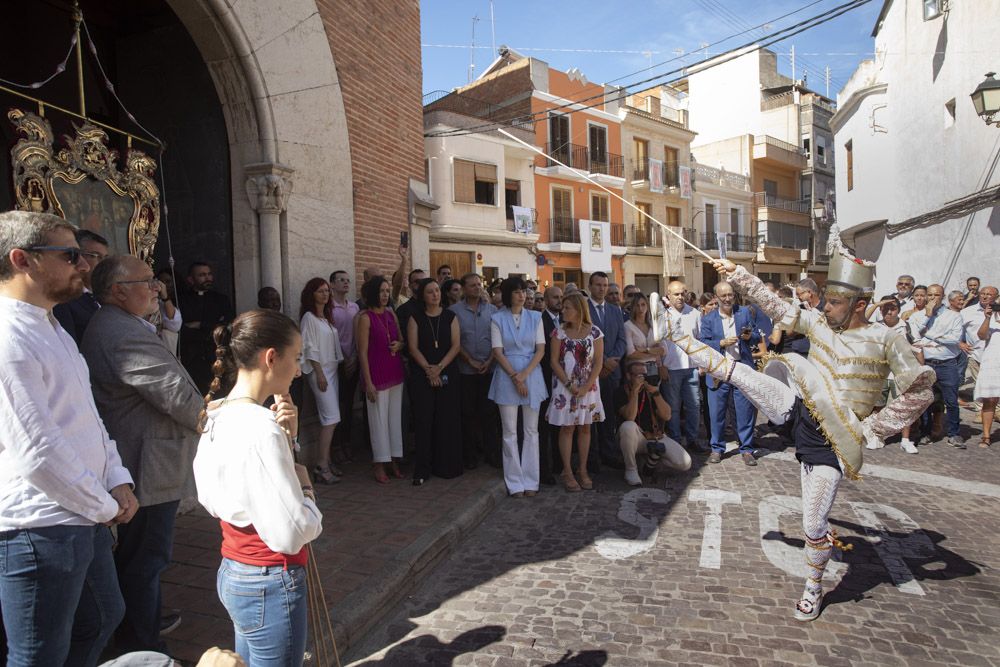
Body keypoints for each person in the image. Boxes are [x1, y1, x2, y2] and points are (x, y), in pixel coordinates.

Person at [663, 244, 933, 622]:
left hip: (833, 442)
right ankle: (677, 336)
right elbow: (777, 308)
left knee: (813, 524)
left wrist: (873, 428)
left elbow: (921, 389)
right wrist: (736, 273)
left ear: (859, 303)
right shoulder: (818, 322)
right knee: (740, 374)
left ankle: (813, 585)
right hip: (796, 410)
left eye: (836, 302)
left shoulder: (887, 339)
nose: (825, 307)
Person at [0, 210, 137, 665]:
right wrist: (103, 506)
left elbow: (85, 414)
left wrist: (116, 478)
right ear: (23, 260)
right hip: (40, 526)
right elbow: (36, 451)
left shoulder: (52, 325)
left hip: (83, 512)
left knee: (102, 617)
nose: (84, 265)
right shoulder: (9, 336)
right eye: (71, 255)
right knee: (39, 654)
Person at [80, 255, 203, 653]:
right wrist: (219, 418)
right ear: (117, 291)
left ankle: (141, 635)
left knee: (143, 559)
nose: (156, 287)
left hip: (146, 460)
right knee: (145, 561)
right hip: (145, 466)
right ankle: (143, 649)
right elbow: (175, 395)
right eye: (146, 281)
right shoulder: (119, 331)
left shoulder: (125, 323)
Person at [192, 309, 322, 666]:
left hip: (235, 571)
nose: (298, 370)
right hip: (268, 578)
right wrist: (307, 491)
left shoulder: (219, 412)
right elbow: (292, 531)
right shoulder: (259, 427)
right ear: (270, 358)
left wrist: (288, 439)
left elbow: (222, 492)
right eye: (295, 358)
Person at [488, 277, 548, 496]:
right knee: (510, 431)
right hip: (506, 376)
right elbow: (497, 351)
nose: (522, 295)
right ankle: (514, 481)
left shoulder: (536, 317)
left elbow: (540, 349)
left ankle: (531, 481)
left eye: (524, 291)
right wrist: (515, 376)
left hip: (531, 374)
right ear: (507, 294)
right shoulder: (497, 318)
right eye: (516, 291)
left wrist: (524, 375)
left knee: (532, 430)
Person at [547, 292, 605, 492]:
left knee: (586, 428)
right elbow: (554, 361)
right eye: (562, 307)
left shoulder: (595, 332)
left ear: (579, 310)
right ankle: (567, 471)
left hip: (588, 388)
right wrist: (570, 385)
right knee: (567, 428)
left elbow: (598, 361)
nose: (563, 311)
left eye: (567, 308)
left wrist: (587, 386)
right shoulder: (558, 332)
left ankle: (582, 469)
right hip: (565, 388)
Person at [408, 278, 463, 485]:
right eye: (430, 292)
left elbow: (456, 346)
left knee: (447, 420)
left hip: (447, 372)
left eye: (438, 291)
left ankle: (447, 465)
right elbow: (413, 348)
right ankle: (423, 468)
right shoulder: (415, 318)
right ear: (423, 295)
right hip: (423, 376)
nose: (435, 295)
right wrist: (429, 371)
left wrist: (439, 368)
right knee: (424, 421)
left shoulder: (451, 316)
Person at [700, 281, 761, 466]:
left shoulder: (743, 313)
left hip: (741, 368)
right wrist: (721, 343)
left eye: (730, 295)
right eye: (723, 296)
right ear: (716, 298)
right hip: (719, 371)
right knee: (716, 412)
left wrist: (751, 337)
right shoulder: (708, 319)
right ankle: (717, 449)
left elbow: (757, 336)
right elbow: (702, 344)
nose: (727, 299)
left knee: (745, 411)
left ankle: (747, 449)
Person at [357, 276, 406, 483]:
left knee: (394, 419)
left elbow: (402, 339)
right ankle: (379, 462)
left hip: (395, 372)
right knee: (378, 420)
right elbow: (362, 352)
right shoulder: (365, 318)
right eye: (381, 291)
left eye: (387, 291)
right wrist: (368, 382)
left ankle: (394, 458)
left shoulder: (391, 314)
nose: (385, 295)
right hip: (376, 375)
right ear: (372, 294)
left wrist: (399, 345)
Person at [450, 273, 500, 469]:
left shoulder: (493, 310)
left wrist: (489, 361)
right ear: (463, 288)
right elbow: (455, 341)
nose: (477, 288)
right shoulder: (454, 311)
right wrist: (469, 360)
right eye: (472, 285)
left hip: (489, 369)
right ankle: (470, 456)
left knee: (489, 414)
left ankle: (491, 454)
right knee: (468, 414)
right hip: (465, 371)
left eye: (479, 284)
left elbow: (498, 339)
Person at [615, 361, 690, 486]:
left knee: (685, 463)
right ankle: (631, 469)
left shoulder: (650, 390)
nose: (642, 378)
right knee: (628, 426)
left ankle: (651, 460)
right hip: (632, 438)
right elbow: (630, 416)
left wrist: (656, 393)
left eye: (644, 375)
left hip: (654, 436)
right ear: (628, 376)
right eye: (638, 375)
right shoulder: (620, 392)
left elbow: (667, 415)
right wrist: (634, 392)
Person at [908, 284, 965, 449]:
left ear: (943, 296)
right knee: (926, 400)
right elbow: (916, 336)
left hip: (947, 363)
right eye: (930, 295)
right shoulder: (917, 316)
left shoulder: (953, 316)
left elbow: (954, 339)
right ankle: (926, 432)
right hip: (927, 362)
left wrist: (930, 335)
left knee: (951, 400)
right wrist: (927, 316)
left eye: (937, 295)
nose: (933, 298)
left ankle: (954, 434)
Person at [299, 277, 344, 483]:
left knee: (331, 419)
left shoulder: (325, 318)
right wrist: (319, 373)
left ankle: (325, 460)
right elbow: (309, 347)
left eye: (327, 291)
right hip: (321, 372)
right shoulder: (309, 317)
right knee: (331, 418)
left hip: (332, 371)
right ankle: (321, 465)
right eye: (320, 291)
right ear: (311, 294)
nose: (325, 294)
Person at [657, 280, 704, 451]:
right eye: (676, 294)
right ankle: (676, 441)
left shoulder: (695, 314)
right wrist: (660, 365)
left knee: (694, 406)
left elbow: (700, 341)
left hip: (692, 368)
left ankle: (692, 440)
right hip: (671, 368)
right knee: (673, 407)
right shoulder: (662, 316)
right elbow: (658, 343)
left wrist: (702, 364)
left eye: (682, 293)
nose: (680, 297)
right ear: (668, 295)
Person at [178, 261, 235, 394]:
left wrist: (200, 324)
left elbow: (228, 325)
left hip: (217, 355)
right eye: (202, 275)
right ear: (191, 279)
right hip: (192, 358)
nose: (207, 278)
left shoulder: (221, 299)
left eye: (209, 274)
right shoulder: (181, 300)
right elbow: (181, 327)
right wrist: (212, 325)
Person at [588, 271, 626, 470]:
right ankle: (592, 458)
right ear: (590, 287)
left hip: (612, 371)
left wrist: (613, 361)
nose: (602, 289)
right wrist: (602, 362)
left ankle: (609, 453)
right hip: (592, 372)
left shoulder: (615, 310)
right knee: (591, 416)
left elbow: (622, 339)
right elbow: (585, 339)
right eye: (598, 285)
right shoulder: (584, 309)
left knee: (609, 415)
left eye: (604, 285)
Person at [53, 228, 110, 344]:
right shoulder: (64, 300)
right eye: (95, 256)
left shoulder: (105, 296)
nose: (103, 263)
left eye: (105, 258)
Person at [329, 270, 360, 463]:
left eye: (348, 280)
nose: (346, 283)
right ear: (332, 284)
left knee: (348, 404)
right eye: (341, 280)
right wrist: (343, 359)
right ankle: (336, 445)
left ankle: (347, 442)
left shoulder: (355, 307)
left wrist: (354, 357)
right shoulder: (328, 308)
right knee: (338, 405)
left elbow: (358, 335)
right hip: (336, 363)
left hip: (353, 360)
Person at [538, 286, 564, 485]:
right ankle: (544, 468)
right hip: (545, 378)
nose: (559, 300)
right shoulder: (539, 320)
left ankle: (560, 464)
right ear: (546, 299)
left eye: (561, 297)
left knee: (560, 424)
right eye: (555, 297)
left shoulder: (567, 320)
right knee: (544, 426)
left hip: (563, 382)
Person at [961, 285, 998, 412]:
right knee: (979, 384)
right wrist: (960, 343)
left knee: (996, 385)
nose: (985, 296)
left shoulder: (998, 312)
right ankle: (980, 409)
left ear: (996, 297)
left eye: (989, 294)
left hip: (995, 356)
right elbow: (956, 330)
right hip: (975, 353)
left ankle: (996, 410)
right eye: (983, 293)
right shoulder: (966, 312)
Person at [973, 298, 1000, 448]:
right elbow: (982, 335)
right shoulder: (992, 319)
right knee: (990, 400)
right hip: (992, 363)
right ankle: (986, 436)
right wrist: (987, 317)